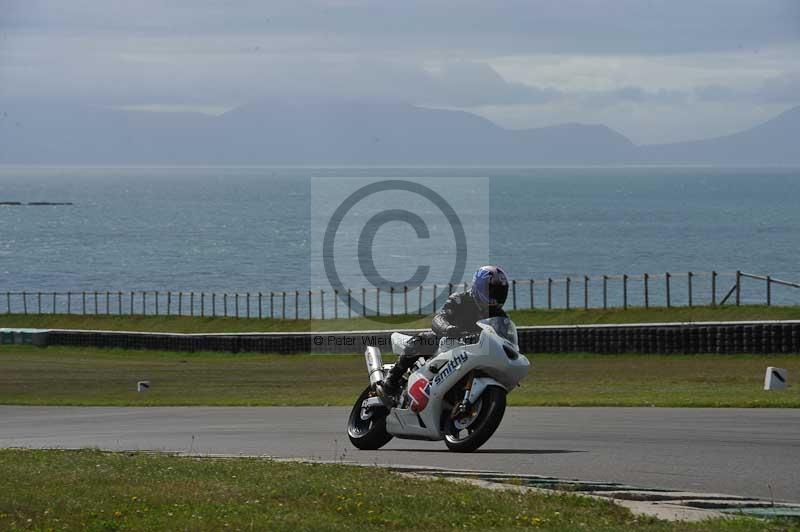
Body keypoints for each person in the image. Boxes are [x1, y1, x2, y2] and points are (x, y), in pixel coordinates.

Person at [380, 265, 510, 397]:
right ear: (479, 286)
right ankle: (392, 378)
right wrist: (449, 329)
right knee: (426, 339)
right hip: (449, 344)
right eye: (492, 291)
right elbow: (439, 318)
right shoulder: (460, 299)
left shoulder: (500, 317)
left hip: (475, 352)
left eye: (499, 292)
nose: (495, 296)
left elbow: (503, 339)